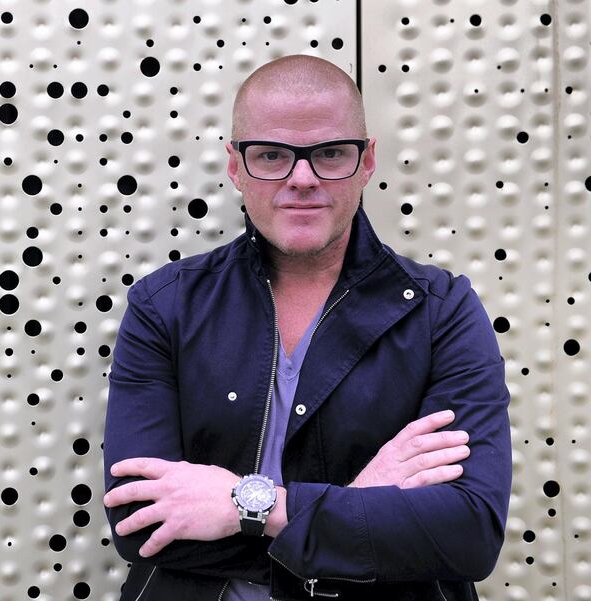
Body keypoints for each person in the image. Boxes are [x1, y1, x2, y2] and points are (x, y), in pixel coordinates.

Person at [102, 54, 512, 601]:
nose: (302, 178)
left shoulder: (441, 312)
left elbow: (468, 534)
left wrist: (248, 505)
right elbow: (142, 523)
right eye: (271, 155)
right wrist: (361, 507)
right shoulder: (165, 306)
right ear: (234, 165)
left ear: (367, 162)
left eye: (330, 154)